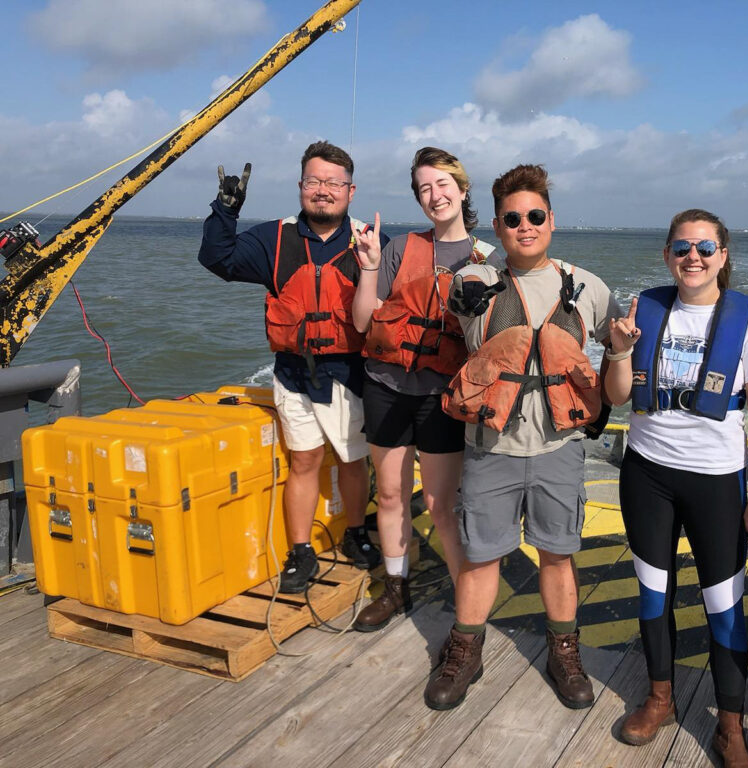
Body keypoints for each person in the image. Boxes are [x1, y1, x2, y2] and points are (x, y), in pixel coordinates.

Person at [423, 164, 623, 712]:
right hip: (492, 449)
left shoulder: (589, 289)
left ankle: (564, 648)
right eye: (512, 219)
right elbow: (462, 319)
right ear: (497, 225)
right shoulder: (473, 284)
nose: (525, 226)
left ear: (552, 221)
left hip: (560, 447)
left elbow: (619, 344)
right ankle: (466, 647)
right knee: (482, 557)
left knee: (558, 555)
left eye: (535, 216)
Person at [603, 209, 748, 764]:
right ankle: (660, 697)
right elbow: (615, 395)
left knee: (723, 604)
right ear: (667, 255)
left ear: (723, 257)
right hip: (646, 474)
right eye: (682, 247)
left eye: (705, 248)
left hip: (716, 482)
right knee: (653, 593)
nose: (693, 257)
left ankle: (729, 725)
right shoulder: (644, 310)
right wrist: (617, 348)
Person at [198, 140, 384, 593]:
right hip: (292, 372)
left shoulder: (369, 241)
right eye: (315, 181)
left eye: (334, 183)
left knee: (353, 460)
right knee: (303, 460)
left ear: (351, 190)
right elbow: (216, 259)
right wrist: (225, 210)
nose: (324, 191)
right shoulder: (273, 238)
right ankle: (300, 551)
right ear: (301, 186)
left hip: (349, 374)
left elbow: (394, 302)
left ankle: (356, 532)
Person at [350, 147, 498, 632]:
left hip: (443, 397)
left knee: (439, 504)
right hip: (386, 384)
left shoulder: (489, 261)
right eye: (424, 189)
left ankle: (467, 609)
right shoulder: (399, 249)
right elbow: (363, 321)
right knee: (390, 495)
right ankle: (395, 587)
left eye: (442, 184)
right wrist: (369, 263)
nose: (434, 195)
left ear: (462, 188)